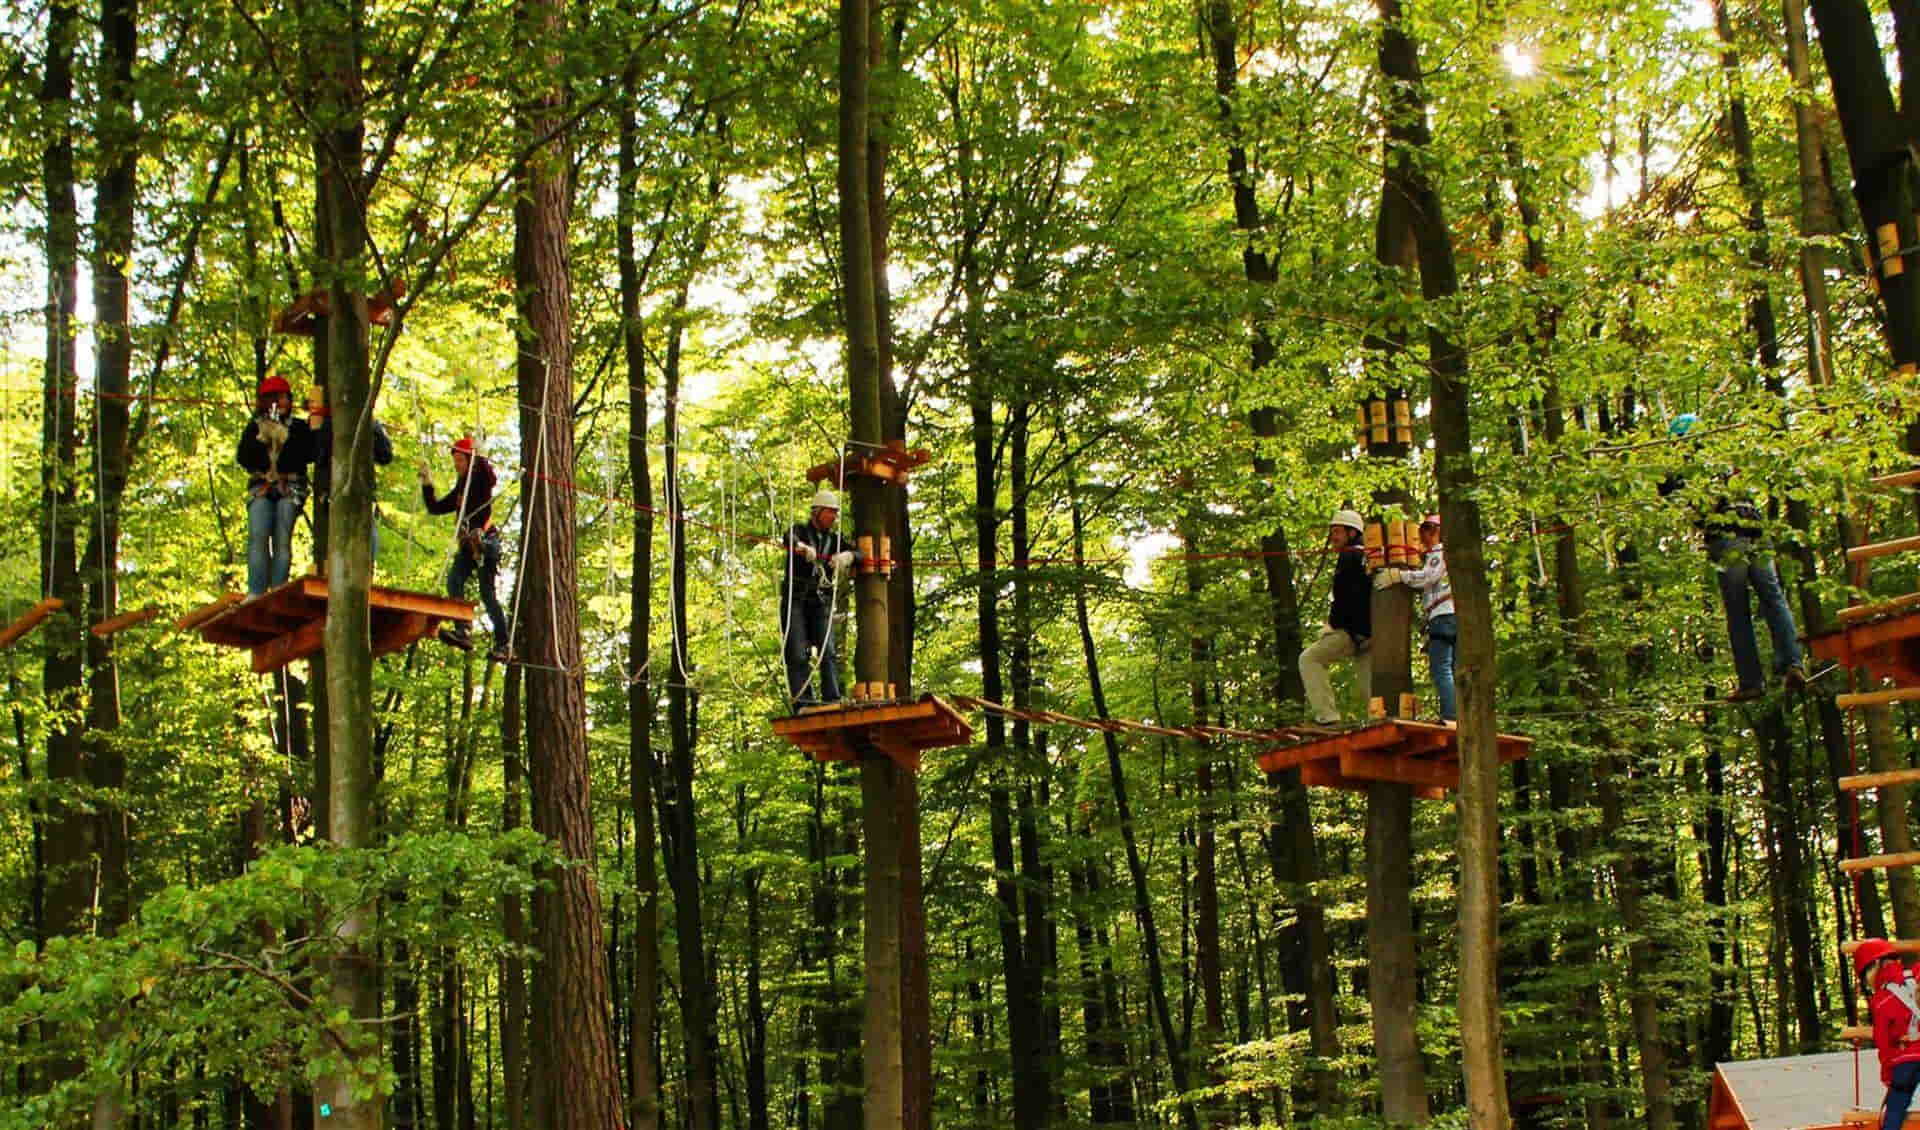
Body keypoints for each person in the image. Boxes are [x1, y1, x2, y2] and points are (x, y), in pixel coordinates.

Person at [1660, 414, 1805, 701]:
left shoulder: (1688, 464)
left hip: (1725, 537)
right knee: (1774, 598)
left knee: (1738, 612)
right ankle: (1792, 663)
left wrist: (1667, 461)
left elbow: (1666, 490)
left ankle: (1752, 681)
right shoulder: (1725, 458)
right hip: (1756, 531)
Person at [422, 436, 509, 659]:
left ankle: (503, 644)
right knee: (454, 580)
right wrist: (427, 485)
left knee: (487, 594)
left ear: (470, 461)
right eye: (455, 462)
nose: (457, 466)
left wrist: (480, 456)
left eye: (461, 461)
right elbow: (435, 507)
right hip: (469, 545)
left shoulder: (479, 479)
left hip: (486, 541)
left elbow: (489, 477)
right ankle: (463, 630)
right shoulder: (461, 488)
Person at [780, 487, 861, 709]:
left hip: (821, 601)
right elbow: (789, 538)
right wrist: (801, 547)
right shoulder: (800, 530)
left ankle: (832, 698)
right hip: (795, 599)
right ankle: (804, 702)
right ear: (817, 512)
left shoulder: (835, 541)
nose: (833, 517)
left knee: (828, 652)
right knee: (797, 653)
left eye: (835, 513)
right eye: (829, 512)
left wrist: (849, 556)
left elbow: (860, 555)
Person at [236, 374, 317, 596]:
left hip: (290, 488)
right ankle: (256, 590)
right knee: (258, 537)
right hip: (261, 486)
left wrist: (284, 440)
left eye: (282, 398)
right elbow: (243, 457)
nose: (278, 403)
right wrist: (264, 439)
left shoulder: (300, 428)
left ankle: (278, 589)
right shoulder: (255, 428)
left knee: (282, 539)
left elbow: (308, 454)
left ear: (289, 401)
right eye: (273, 399)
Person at [1376, 513, 1455, 721]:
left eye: (1427, 530)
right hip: (1447, 616)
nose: (1423, 536)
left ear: (1437, 531)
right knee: (1450, 668)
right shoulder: (1437, 555)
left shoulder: (1440, 553)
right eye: (1422, 531)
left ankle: (1452, 717)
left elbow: (1429, 577)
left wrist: (1399, 576)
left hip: (1443, 616)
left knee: (1442, 669)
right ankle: (1457, 715)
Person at [1300, 509, 1371, 725]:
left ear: (1352, 533)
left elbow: (1346, 598)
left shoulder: (1350, 556)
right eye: (1332, 532)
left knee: (1309, 659)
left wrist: (1334, 625)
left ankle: (1328, 718)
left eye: (1338, 531)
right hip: (1369, 634)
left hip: (1351, 632)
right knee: (1370, 691)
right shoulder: (1366, 557)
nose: (1333, 537)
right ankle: (1381, 723)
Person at [306, 388, 394, 560]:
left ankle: (365, 579)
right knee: (340, 543)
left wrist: (374, 428)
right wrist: (323, 492)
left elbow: (385, 456)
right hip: (336, 493)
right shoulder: (330, 425)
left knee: (369, 542)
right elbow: (320, 458)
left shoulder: (369, 427)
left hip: (363, 494)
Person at [1857, 939, 1920, 1130]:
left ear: (1875, 965)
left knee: (1894, 1109)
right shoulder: (1916, 975)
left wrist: (1887, 1074)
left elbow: (1883, 1042)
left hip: (1904, 1061)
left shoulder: (1880, 1000)